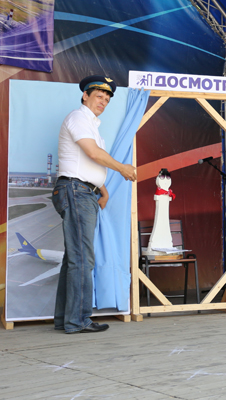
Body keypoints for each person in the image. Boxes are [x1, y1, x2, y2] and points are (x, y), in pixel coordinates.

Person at [52, 75, 137, 334]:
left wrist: (102, 189)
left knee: (74, 258)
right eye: (99, 96)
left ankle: (65, 319)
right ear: (85, 95)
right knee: (81, 258)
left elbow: (86, 163)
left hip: (81, 191)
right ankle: (78, 320)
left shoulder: (90, 124)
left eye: (107, 99)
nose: (104, 101)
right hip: (76, 192)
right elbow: (92, 153)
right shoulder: (79, 118)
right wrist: (122, 168)